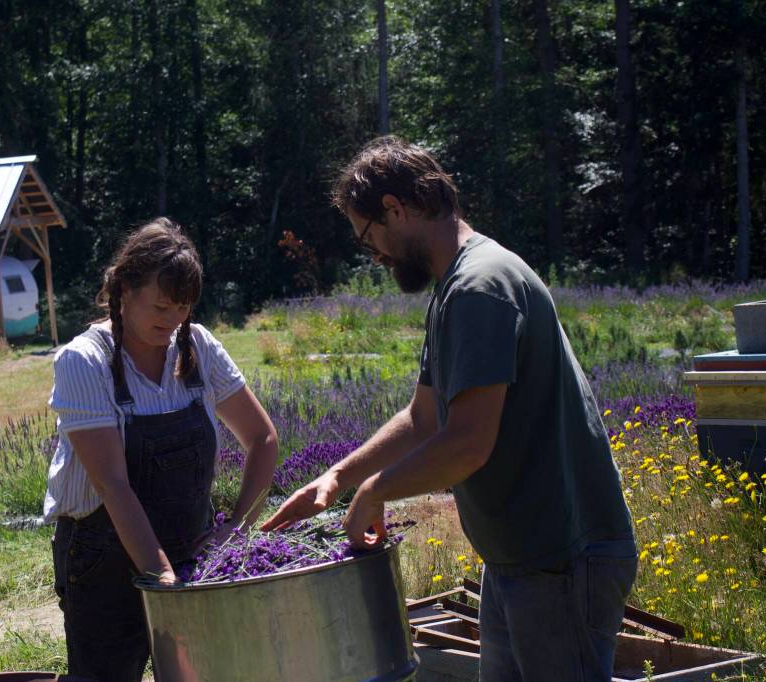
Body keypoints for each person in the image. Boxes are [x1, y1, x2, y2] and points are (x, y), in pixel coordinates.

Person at [263, 136, 637, 681]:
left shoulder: (478, 288)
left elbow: (466, 443)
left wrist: (375, 492)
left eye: (370, 238)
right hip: (522, 560)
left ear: (397, 208)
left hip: (561, 559)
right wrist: (338, 478)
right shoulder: (456, 286)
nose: (376, 257)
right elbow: (425, 419)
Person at [46, 218, 278, 682]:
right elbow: (112, 484)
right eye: (162, 306)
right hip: (104, 558)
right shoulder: (84, 361)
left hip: (191, 548)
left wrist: (237, 527)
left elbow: (262, 439)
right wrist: (161, 576)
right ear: (125, 288)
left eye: (183, 308)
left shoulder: (196, 346)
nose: (172, 321)